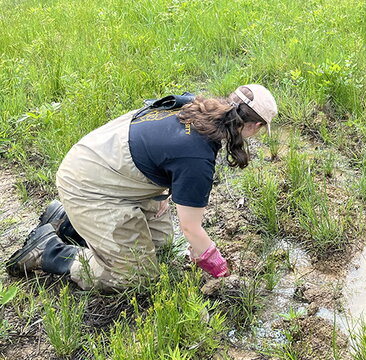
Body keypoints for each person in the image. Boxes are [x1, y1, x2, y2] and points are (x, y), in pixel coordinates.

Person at [6, 84, 278, 292]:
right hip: (89, 183)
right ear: (254, 126)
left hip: (106, 162)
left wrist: (160, 191)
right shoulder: (197, 157)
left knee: (161, 243)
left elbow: (162, 150)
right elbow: (191, 228)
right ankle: (48, 250)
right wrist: (215, 264)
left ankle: (67, 223)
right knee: (137, 275)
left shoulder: (198, 106)